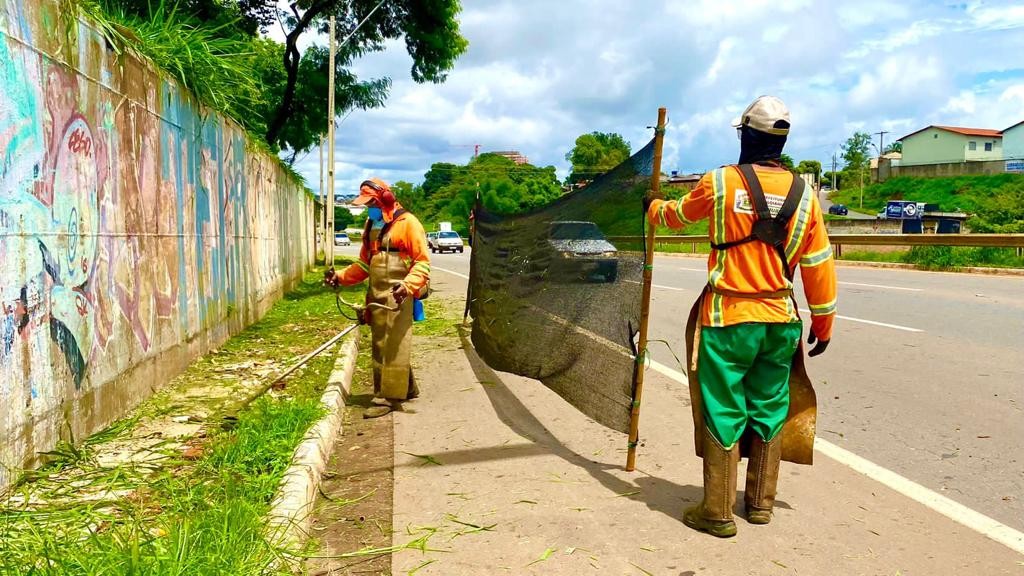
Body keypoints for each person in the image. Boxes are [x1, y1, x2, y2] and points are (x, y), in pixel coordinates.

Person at [645, 96, 837, 537]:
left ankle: (716, 512)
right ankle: (760, 505)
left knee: (723, 410)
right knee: (770, 409)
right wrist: (823, 325)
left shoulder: (720, 183)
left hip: (727, 318)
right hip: (780, 322)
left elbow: (676, 217)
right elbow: (820, 265)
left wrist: (652, 206)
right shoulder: (805, 196)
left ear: (745, 135)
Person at [326, 178, 431, 416]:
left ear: (385, 199)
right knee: (380, 342)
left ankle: (387, 398)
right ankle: (407, 386)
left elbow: (422, 263)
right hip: (376, 291)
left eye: (371, 203)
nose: (368, 209)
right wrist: (340, 277)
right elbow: (365, 264)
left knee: (393, 343)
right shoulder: (371, 225)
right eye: (366, 205)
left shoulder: (408, 223)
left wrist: (408, 285)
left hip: (399, 291)